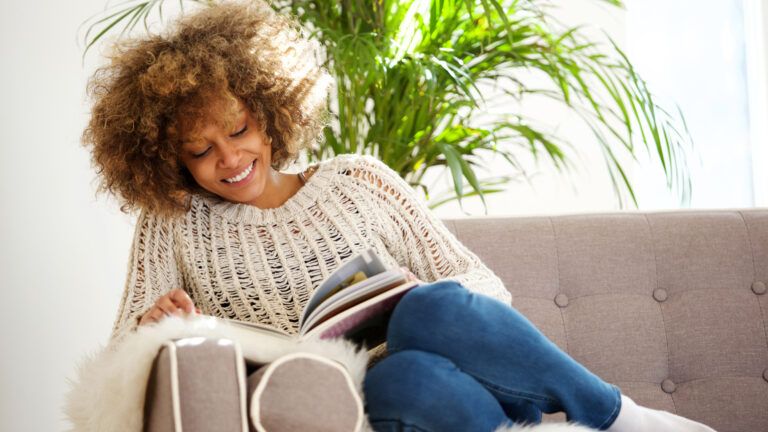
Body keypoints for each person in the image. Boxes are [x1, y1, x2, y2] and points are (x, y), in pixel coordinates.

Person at [83, 2, 716, 431]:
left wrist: (397, 306)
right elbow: (116, 380)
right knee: (400, 382)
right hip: (351, 401)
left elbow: (481, 288)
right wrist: (152, 325)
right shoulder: (174, 222)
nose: (230, 158)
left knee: (427, 313)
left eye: (239, 129)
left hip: (435, 357)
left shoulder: (358, 178)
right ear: (168, 158)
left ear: (270, 110)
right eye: (201, 151)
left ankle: (618, 418)